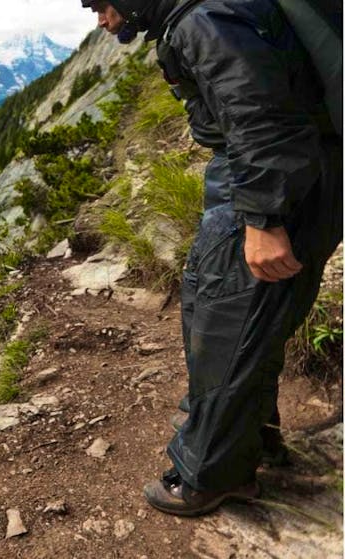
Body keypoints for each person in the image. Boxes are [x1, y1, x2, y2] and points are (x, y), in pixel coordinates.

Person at [83, 0, 342, 516]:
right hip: (279, 178)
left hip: (274, 187)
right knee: (237, 314)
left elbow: (261, 120)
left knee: (228, 322)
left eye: (102, 5)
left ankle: (210, 476)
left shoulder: (203, 20)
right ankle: (254, 439)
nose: (103, 21)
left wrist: (263, 221)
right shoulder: (200, 13)